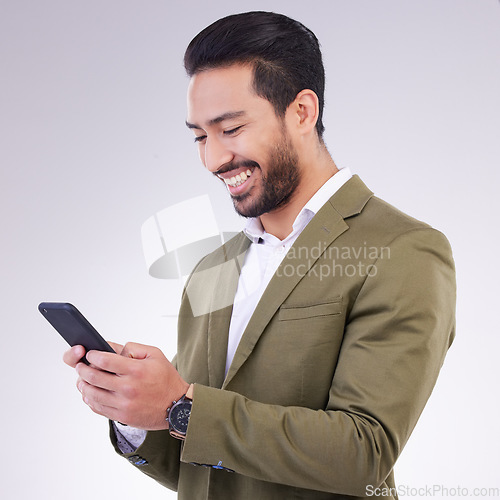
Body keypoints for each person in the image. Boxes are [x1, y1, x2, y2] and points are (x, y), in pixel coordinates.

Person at [64, 11, 456, 499]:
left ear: (302, 112)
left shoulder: (402, 250)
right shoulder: (213, 270)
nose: (212, 159)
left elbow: (365, 454)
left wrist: (179, 404)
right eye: (199, 136)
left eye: (230, 129)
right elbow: (204, 467)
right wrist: (136, 414)